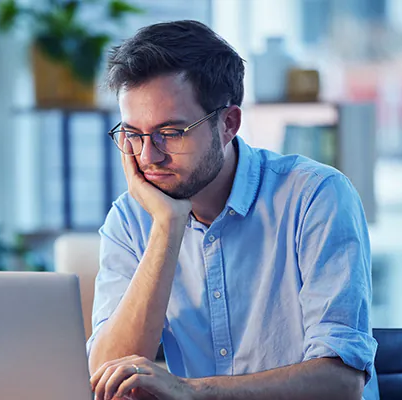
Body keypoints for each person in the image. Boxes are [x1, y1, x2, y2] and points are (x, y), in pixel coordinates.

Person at [87, 20, 379, 400]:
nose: (148, 156)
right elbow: (107, 380)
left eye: (171, 132)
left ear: (229, 123)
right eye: (133, 134)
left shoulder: (316, 196)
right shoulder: (131, 220)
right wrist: (166, 227)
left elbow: (342, 383)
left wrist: (192, 392)